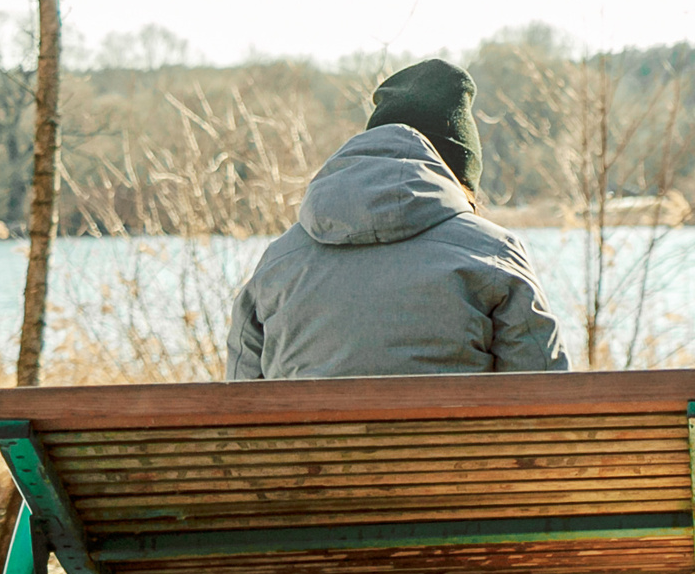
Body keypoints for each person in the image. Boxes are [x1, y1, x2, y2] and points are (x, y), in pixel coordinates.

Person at [228, 58, 569, 379]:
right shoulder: (493, 255)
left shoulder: (277, 263)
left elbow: (239, 407)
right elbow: (546, 395)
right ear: (457, 176)